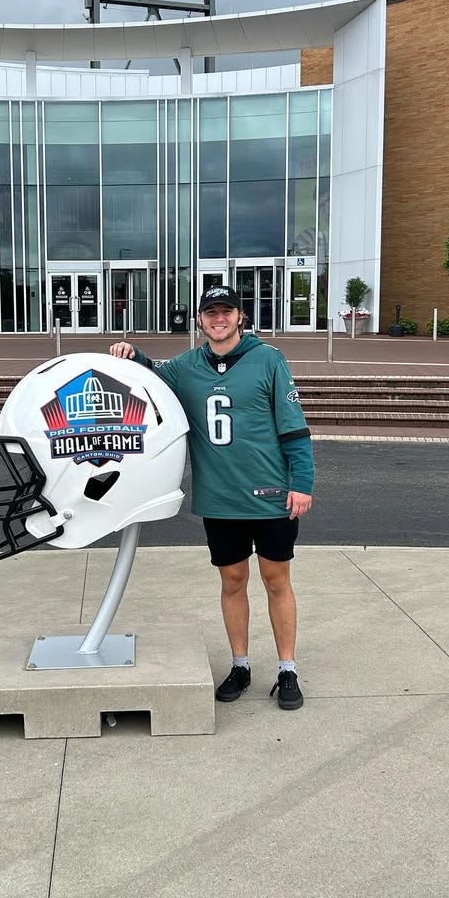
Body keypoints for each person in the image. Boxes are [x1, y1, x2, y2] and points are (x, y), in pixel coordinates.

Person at [110, 283, 314, 710]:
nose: (219, 319)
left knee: (276, 580)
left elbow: (294, 427)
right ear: (200, 320)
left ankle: (287, 669)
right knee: (232, 580)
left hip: (270, 494)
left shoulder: (269, 359)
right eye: (211, 313)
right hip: (220, 498)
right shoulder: (187, 366)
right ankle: (240, 664)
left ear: (240, 316)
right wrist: (131, 354)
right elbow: (150, 374)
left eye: (226, 311)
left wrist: (302, 482)